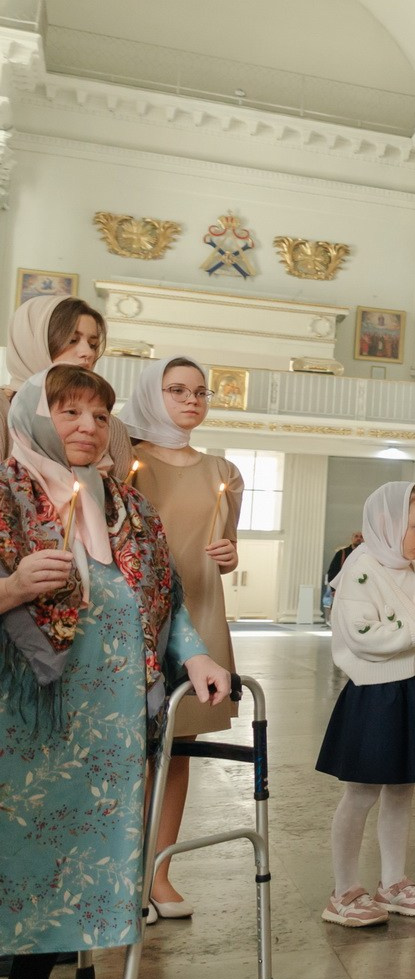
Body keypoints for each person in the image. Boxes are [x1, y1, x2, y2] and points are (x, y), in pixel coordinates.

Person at [0, 367, 231, 979]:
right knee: (13, 855)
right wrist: (12, 585)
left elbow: (170, 597)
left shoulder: (128, 508)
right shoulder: (8, 494)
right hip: (24, 723)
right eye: (68, 410)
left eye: (99, 414)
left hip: (106, 728)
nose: (86, 426)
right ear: (37, 415)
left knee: (78, 860)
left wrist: (194, 654)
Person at [122, 356, 245, 919]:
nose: (191, 400)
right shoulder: (126, 459)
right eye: (177, 390)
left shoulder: (222, 469)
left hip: (200, 607)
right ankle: (122, 871)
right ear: (153, 393)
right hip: (139, 615)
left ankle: (160, 871)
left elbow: (226, 547)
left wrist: (228, 555)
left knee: (178, 748)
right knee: (131, 752)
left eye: (200, 392)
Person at [317, 481, 415, 927]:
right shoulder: (360, 571)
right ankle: (343, 892)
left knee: (401, 790)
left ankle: (393, 882)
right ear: (388, 522)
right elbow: (362, 637)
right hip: (377, 696)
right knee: (360, 794)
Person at [3, 295, 133, 474]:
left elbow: (121, 496)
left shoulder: (113, 429)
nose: (87, 353)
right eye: (72, 340)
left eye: (93, 344)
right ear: (33, 342)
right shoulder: (3, 410)